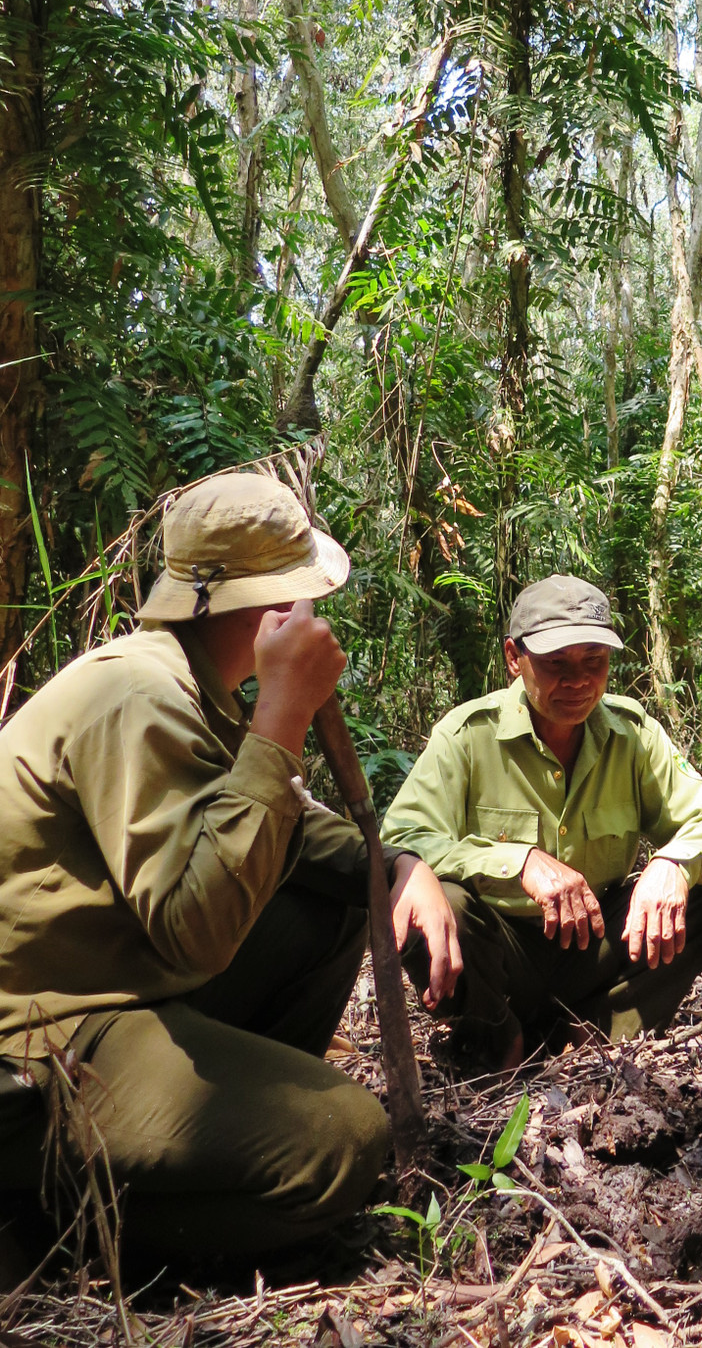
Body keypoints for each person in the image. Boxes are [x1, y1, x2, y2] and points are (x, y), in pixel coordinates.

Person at [0, 470, 461, 1260]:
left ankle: (215, 1147)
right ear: (275, 606)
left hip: (126, 993)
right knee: (343, 1142)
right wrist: (283, 714)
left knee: (341, 896)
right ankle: (45, 1224)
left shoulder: (195, 688)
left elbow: (297, 838)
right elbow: (193, 934)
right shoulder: (139, 695)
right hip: (41, 1046)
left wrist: (399, 865)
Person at [381, 575, 702, 1067]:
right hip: (499, 951)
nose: (577, 681)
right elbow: (402, 839)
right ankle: (496, 1037)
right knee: (429, 897)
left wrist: (672, 864)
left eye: (593, 662)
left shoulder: (633, 736)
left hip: (594, 948)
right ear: (515, 659)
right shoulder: (467, 736)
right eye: (556, 664)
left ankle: (599, 1034)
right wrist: (519, 863)